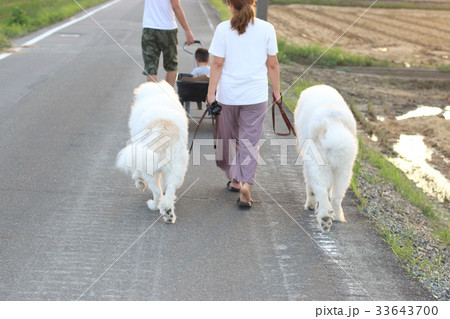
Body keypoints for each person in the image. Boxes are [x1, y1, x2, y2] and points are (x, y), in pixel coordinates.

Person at [207, 0, 281, 208]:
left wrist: (211, 93)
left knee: (228, 139)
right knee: (249, 141)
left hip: (228, 96)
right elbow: (272, 64)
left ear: (230, 4)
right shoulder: (267, 29)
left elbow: (217, 63)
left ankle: (235, 179)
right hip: (256, 96)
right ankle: (245, 183)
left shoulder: (223, 29)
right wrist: (276, 90)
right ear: (253, 2)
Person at [141, 0, 195, 86]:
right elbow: (176, 6)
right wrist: (187, 30)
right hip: (168, 29)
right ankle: (167, 97)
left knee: (151, 68)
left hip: (149, 28)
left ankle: (152, 97)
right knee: (171, 66)